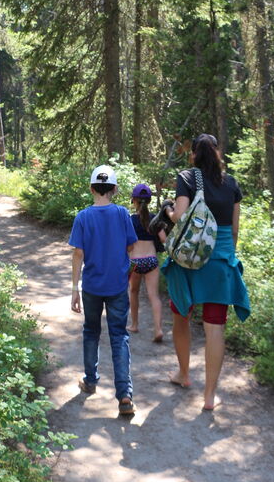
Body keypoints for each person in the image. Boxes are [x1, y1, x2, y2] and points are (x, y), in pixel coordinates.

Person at [155, 134, 250, 411]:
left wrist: (168, 210)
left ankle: (184, 374)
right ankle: (209, 396)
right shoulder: (231, 184)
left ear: (194, 153)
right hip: (220, 260)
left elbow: (181, 217)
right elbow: (233, 230)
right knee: (215, 326)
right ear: (218, 153)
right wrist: (225, 257)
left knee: (181, 315)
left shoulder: (187, 177)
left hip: (189, 261)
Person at [69, 164, 138, 416]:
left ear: (91, 188)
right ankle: (125, 395)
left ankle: (90, 380)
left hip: (92, 286)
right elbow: (131, 247)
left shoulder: (83, 217)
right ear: (115, 189)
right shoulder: (122, 214)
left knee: (91, 331)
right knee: (119, 336)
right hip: (118, 285)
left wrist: (74, 289)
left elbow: (78, 254)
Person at [128, 183, 164, 342]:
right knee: (154, 296)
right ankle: (158, 329)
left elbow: (126, 243)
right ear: (149, 201)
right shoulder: (156, 220)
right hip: (151, 261)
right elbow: (164, 239)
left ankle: (134, 325)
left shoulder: (130, 220)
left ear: (133, 200)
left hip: (134, 261)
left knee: (133, 292)